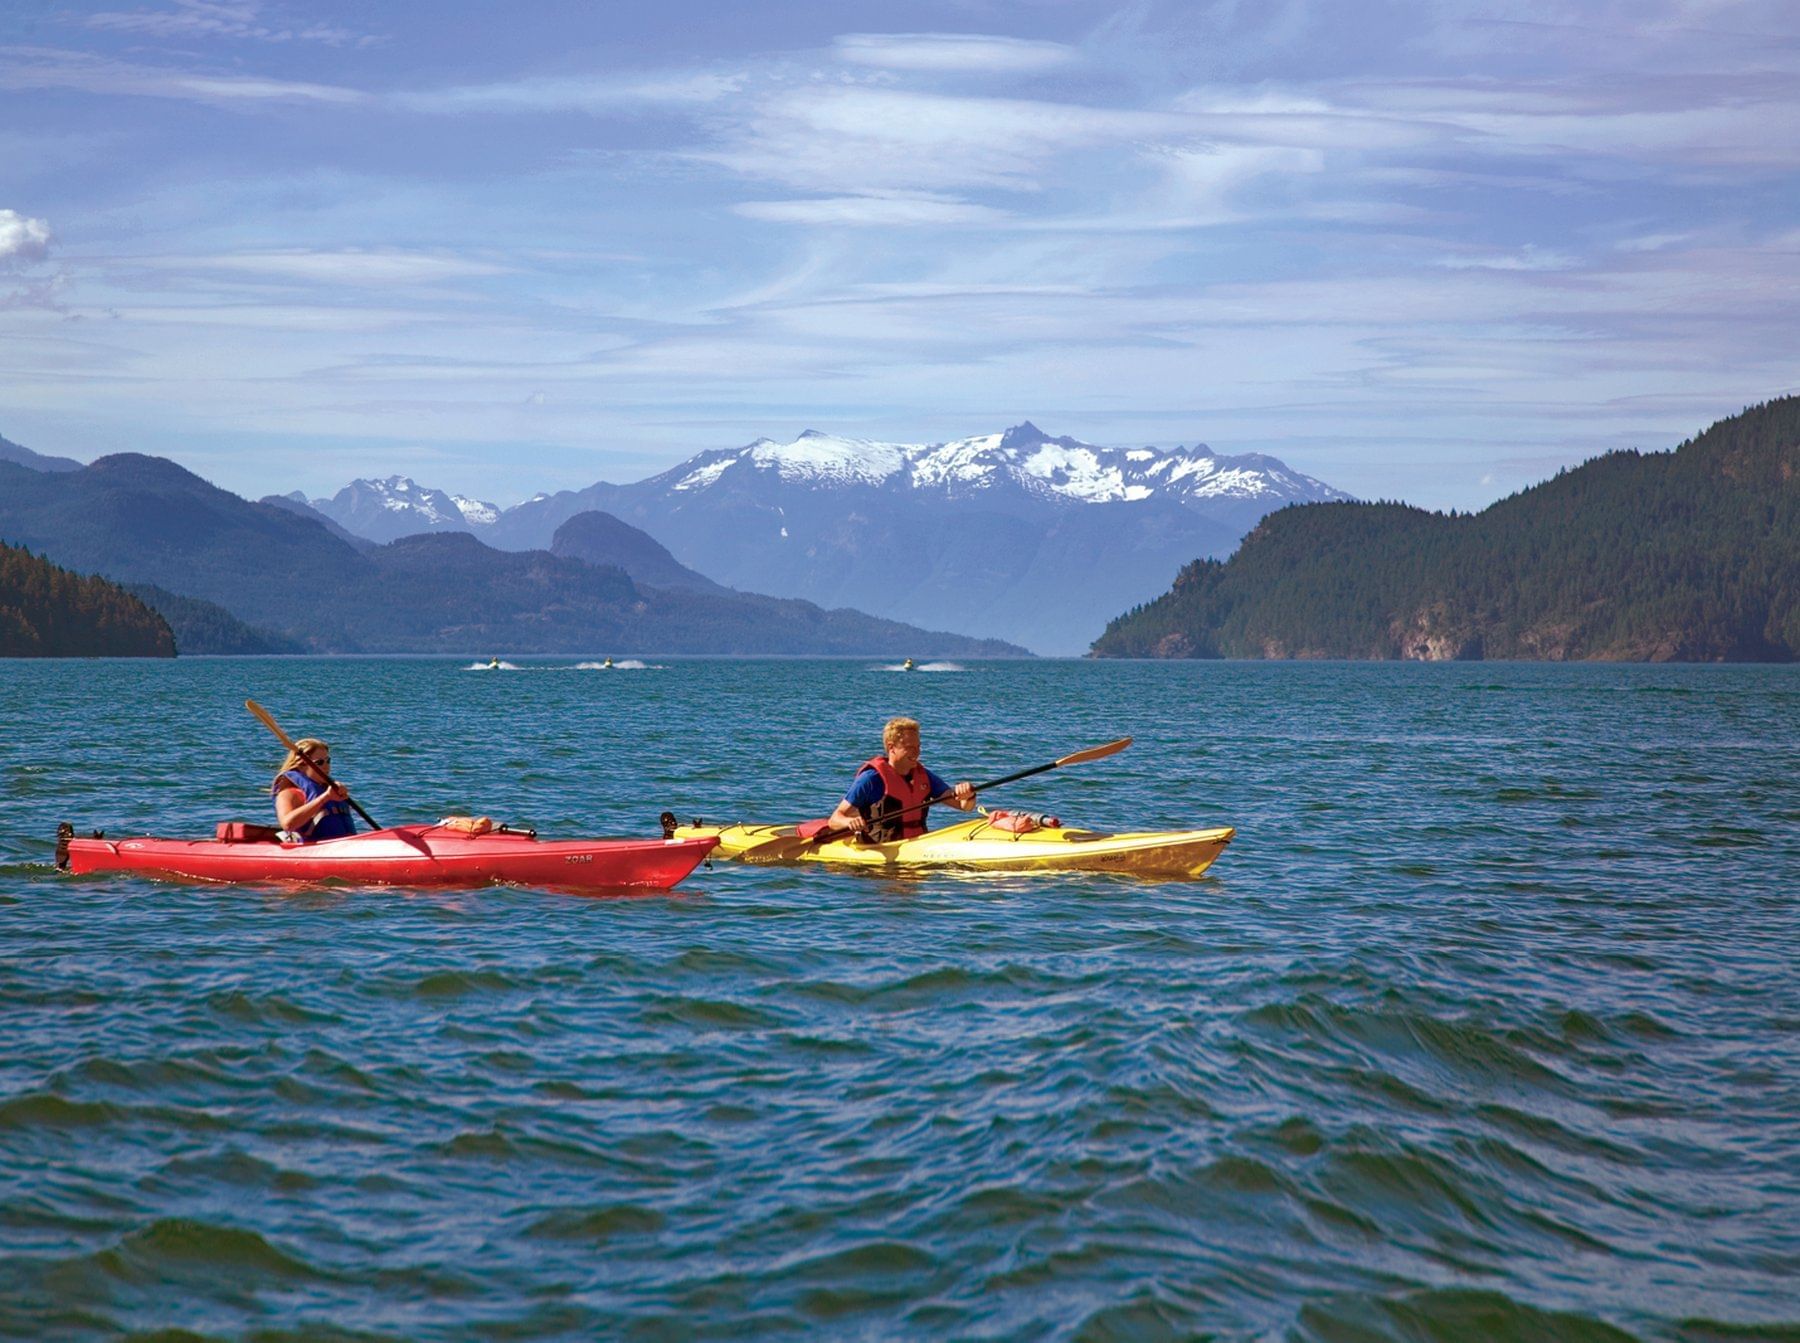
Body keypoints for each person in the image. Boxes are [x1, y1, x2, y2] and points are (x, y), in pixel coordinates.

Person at [825, 717, 976, 841]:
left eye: (918, 746)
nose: (917, 753)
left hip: (917, 846)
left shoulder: (924, 776)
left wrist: (968, 795)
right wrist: (850, 821)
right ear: (892, 748)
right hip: (880, 855)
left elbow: (964, 807)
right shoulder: (871, 779)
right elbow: (835, 819)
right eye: (910, 747)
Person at [271, 738, 357, 842]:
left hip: (344, 844)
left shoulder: (330, 790)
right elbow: (288, 824)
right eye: (319, 762)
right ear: (302, 766)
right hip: (314, 848)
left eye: (328, 761)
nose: (326, 766)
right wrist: (325, 797)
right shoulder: (289, 793)